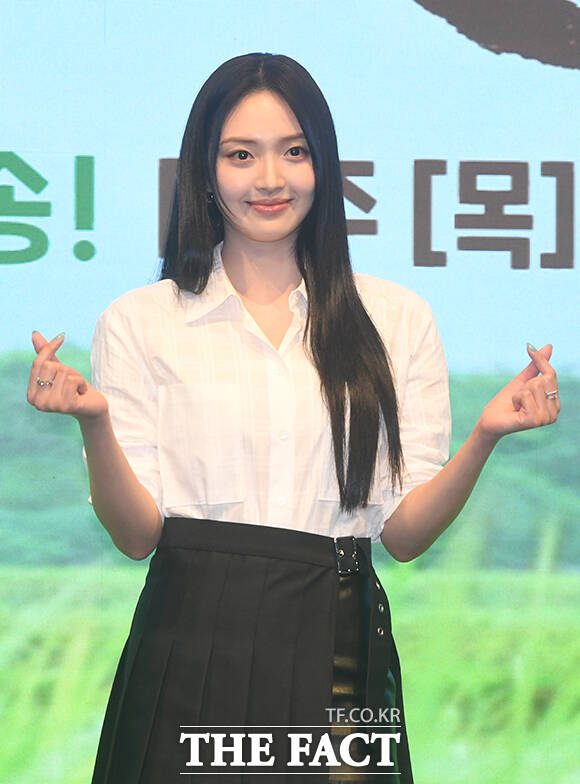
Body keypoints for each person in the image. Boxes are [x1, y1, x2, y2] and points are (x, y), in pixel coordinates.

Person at [27, 53, 560, 783]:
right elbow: (137, 535)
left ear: (324, 164)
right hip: (190, 642)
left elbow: (403, 536)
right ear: (205, 169)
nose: (270, 178)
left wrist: (486, 435)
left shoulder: (396, 318)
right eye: (241, 155)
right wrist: (93, 421)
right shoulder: (142, 321)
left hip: (338, 639)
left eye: (295, 152)